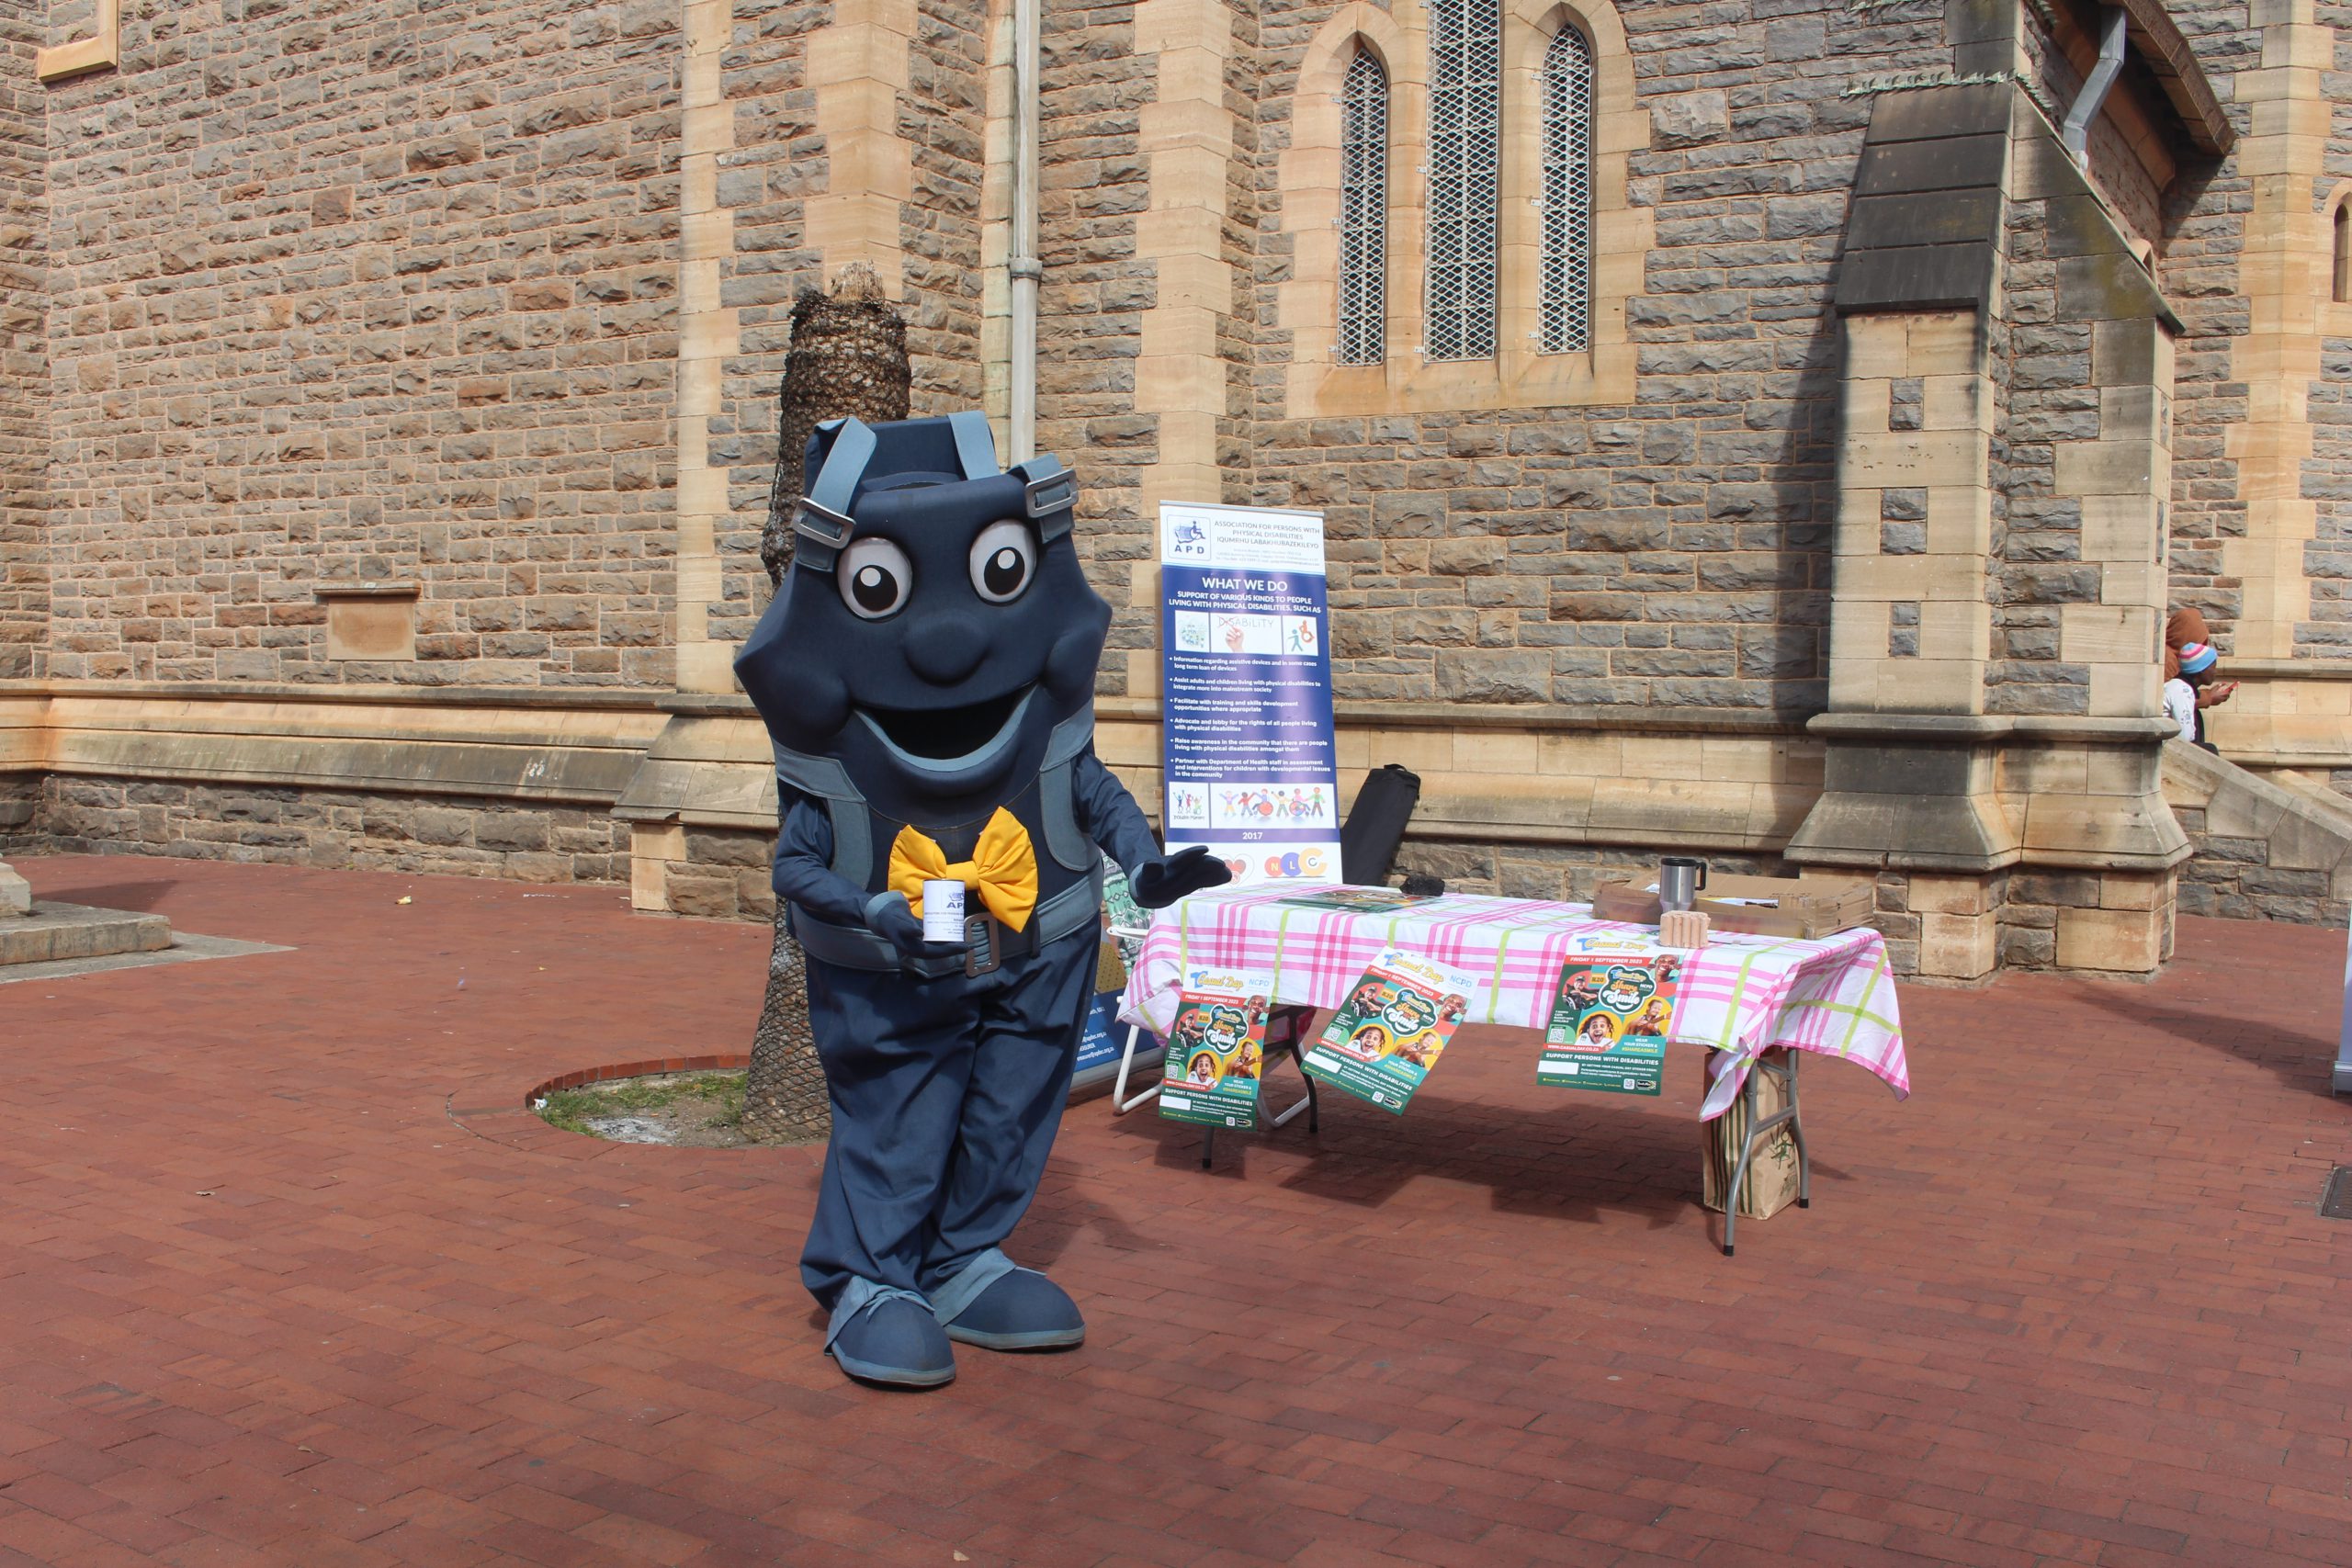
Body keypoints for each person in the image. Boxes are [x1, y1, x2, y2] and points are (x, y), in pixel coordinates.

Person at [2165, 641, 2228, 750]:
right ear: (2202, 669)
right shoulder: (2181, 690)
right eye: (2213, 667)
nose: (2215, 672)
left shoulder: (2180, 686)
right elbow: (2184, 736)